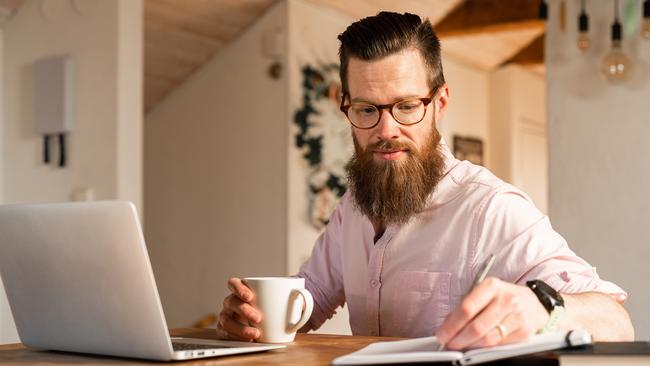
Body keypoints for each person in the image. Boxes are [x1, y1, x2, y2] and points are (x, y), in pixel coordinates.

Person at [216, 12, 634, 349]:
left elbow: (616, 321)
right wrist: (255, 317)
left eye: (406, 106)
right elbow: (311, 295)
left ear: (440, 103)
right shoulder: (353, 206)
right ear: (346, 108)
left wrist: (542, 309)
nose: (385, 130)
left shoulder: (491, 208)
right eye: (366, 110)